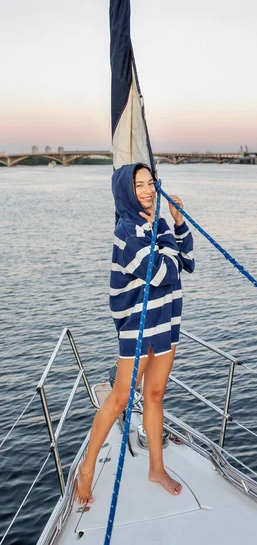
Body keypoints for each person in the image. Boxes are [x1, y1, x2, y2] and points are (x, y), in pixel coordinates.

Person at [76, 163, 195, 503]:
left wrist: (178, 221)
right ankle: (87, 468)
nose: (147, 190)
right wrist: (168, 232)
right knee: (120, 399)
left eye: (150, 183)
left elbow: (188, 262)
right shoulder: (127, 232)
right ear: (125, 192)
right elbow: (164, 272)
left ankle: (156, 467)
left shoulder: (155, 224)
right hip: (139, 326)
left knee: (155, 395)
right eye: (138, 185)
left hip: (167, 320)